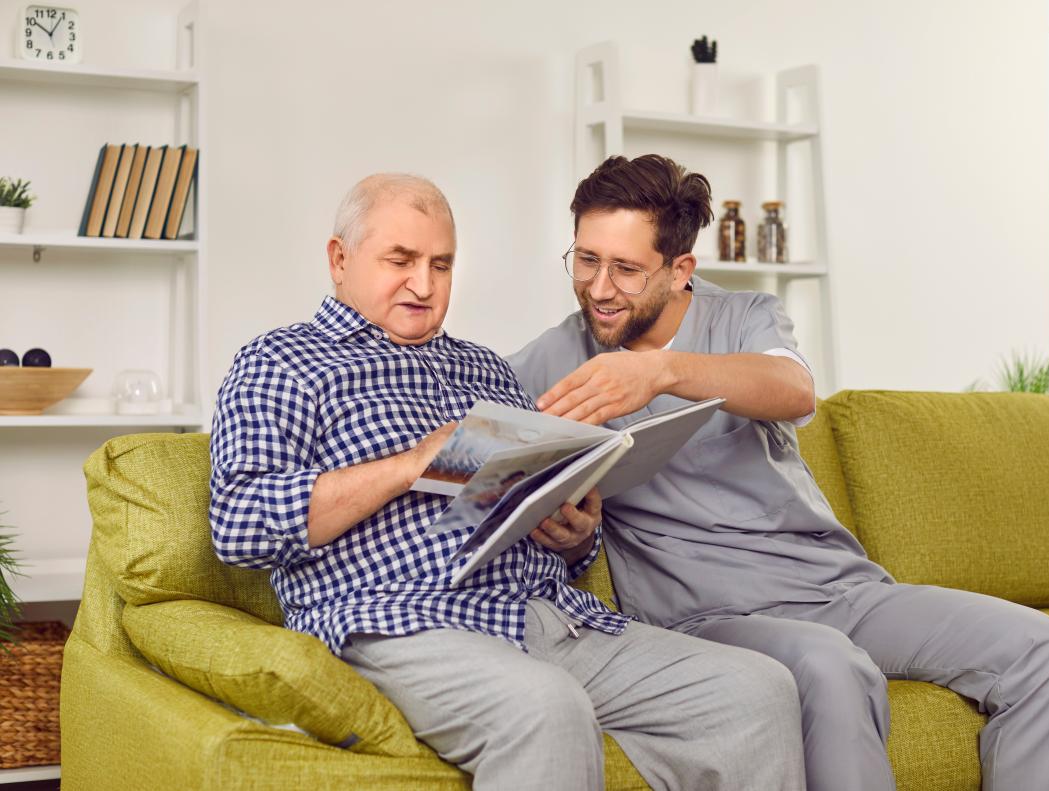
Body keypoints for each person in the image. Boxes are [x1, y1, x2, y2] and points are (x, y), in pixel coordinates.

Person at [208, 172, 805, 791]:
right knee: (545, 707)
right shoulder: (281, 361)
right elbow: (239, 526)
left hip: (547, 617)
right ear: (340, 259)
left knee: (756, 691)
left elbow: (546, 520)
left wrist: (575, 534)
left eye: (441, 265)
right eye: (401, 260)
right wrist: (410, 464)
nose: (424, 284)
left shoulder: (488, 368)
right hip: (400, 622)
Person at [508, 154, 1049, 791]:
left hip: (839, 589)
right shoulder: (556, 356)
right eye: (586, 260)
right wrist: (570, 531)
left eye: (626, 269)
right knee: (831, 666)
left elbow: (794, 390)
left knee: (1044, 649)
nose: (599, 288)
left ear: (679, 271)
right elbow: (475, 433)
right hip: (706, 616)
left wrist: (661, 372)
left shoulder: (746, 317)